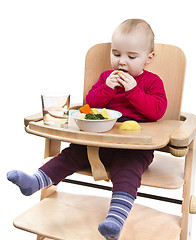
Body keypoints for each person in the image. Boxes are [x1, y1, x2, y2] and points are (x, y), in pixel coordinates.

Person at [7, 19, 167, 240]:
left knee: (127, 170)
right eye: (116, 53)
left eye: (131, 57)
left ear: (148, 59)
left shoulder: (151, 82)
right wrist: (107, 88)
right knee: (72, 153)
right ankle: (36, 181)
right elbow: (90, 104)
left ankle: (115, 220)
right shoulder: (105, 78)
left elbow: (157, 111)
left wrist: (133, 91)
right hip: (97, 141)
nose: (122, 62)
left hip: (133, 147)